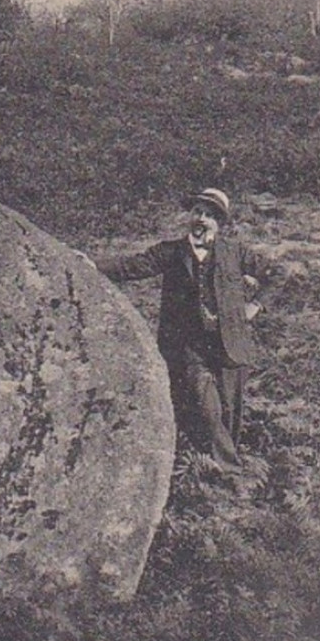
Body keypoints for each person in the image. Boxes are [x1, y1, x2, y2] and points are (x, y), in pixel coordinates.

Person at [96, 188, 268, 471]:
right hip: (190, 347)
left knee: (230, 411)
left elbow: (277, 274)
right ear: (190, 216)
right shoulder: (172, 251)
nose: (202, 219)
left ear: (219, 223)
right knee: (207, 407)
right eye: (198, 212)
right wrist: (92, 264)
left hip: (231, 343)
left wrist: (256, 306)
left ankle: (213, 470)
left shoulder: (235, 252)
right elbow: (131, 265)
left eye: (210, 215)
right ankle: (231, 471)